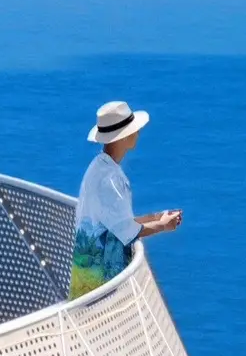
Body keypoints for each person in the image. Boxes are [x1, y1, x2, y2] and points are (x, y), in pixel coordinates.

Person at [71, 99, 182, 297]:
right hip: (102, 282)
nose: (137, 133)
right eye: (134, 130)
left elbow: (116, 221)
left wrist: (155, 217)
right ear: (123, 137)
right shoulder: (112, 179)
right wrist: (164, 225)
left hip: (85, 274)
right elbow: (127, 231)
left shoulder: (97, 167)